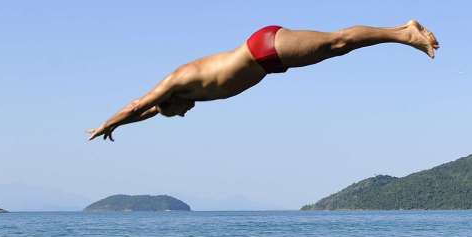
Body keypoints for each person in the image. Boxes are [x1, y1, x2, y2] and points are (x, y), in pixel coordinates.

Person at [87, 20, 438, 141]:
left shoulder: (177, 81)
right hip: (269, 60)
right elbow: (145, 113)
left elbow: (139, 104)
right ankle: (401, 33)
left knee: (337, 42)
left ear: (169, 101)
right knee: (337, 49)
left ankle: (406, 33)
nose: (183, 114)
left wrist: (106, 124)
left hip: (263, 49)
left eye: (175, 113)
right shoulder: (183, 96)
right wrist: (126, 126)